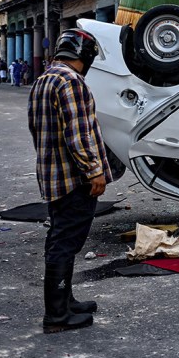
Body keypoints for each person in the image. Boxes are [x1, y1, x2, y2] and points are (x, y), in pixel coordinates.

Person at [28, 29, 115, 334]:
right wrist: (94, 171)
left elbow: (37, 129)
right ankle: (56, 316)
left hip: (52, 176)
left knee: (60, 238)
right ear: (86, 56)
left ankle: (66, 301)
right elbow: (78, 134)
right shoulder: (72, 82)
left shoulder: (44, 80)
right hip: (73, 179)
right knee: (66, 243)